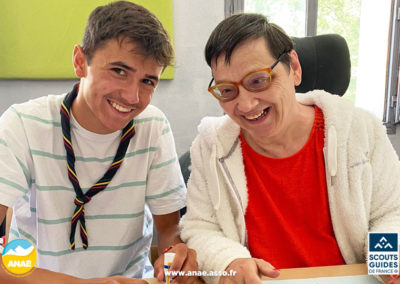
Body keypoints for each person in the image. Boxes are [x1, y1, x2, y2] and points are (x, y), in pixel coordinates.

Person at [180, 13, 400, 284]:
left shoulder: (359, 131)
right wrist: (229, 261)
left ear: (294, 68)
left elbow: (391, 213)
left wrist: (387, 264)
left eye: (258, 81)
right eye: (227, 91)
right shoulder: (212, 146)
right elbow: (200, 226)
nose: (246, 105)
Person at [0, 1, 197, 283]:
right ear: (80, 62)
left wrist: (175, 254)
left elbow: (169, 232)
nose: (132, 97)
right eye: (119, 71)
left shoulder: (152, 127)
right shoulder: (23, 124)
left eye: (148, 82)